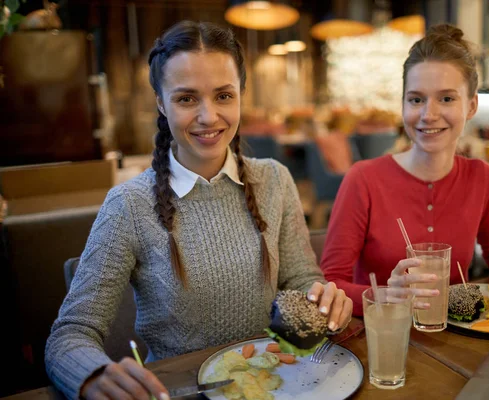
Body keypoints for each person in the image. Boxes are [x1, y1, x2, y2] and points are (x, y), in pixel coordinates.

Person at [45, 21, 352, 400]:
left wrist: (321, 299)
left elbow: (302, 279)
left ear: (240, 93)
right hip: (180, 392)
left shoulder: (275, 180)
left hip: (276, 386)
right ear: (160, 102)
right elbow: (70, 334)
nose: (209, 117)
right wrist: (92, 375)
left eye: (223, 96)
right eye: (187, 99)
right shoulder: (128, 205)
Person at [320, 24, 489, 316]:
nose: (429, 115)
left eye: (446, 98)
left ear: (471, 105)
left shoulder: (483, 178)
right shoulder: (363, 179)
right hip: (380, 338)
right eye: (416, 99)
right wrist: (386, 294)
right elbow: (331, 284)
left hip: (455, 339)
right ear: (403, 105)